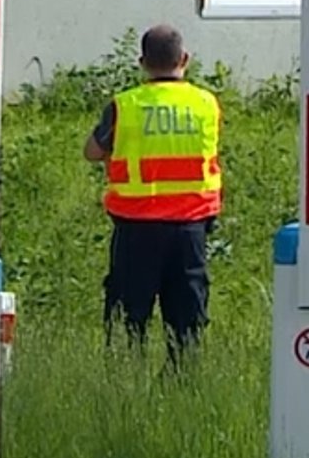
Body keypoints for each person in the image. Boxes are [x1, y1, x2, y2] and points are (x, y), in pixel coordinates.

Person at [84, 24, 224, 362]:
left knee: (129, 317)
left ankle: (125, 386)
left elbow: (91, 151)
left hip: (137, 227)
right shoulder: (206, 103)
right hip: (191, 228)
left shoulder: (124, 105)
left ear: (142, 62)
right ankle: (182, 385)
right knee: (187, 318)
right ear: (185, 59)